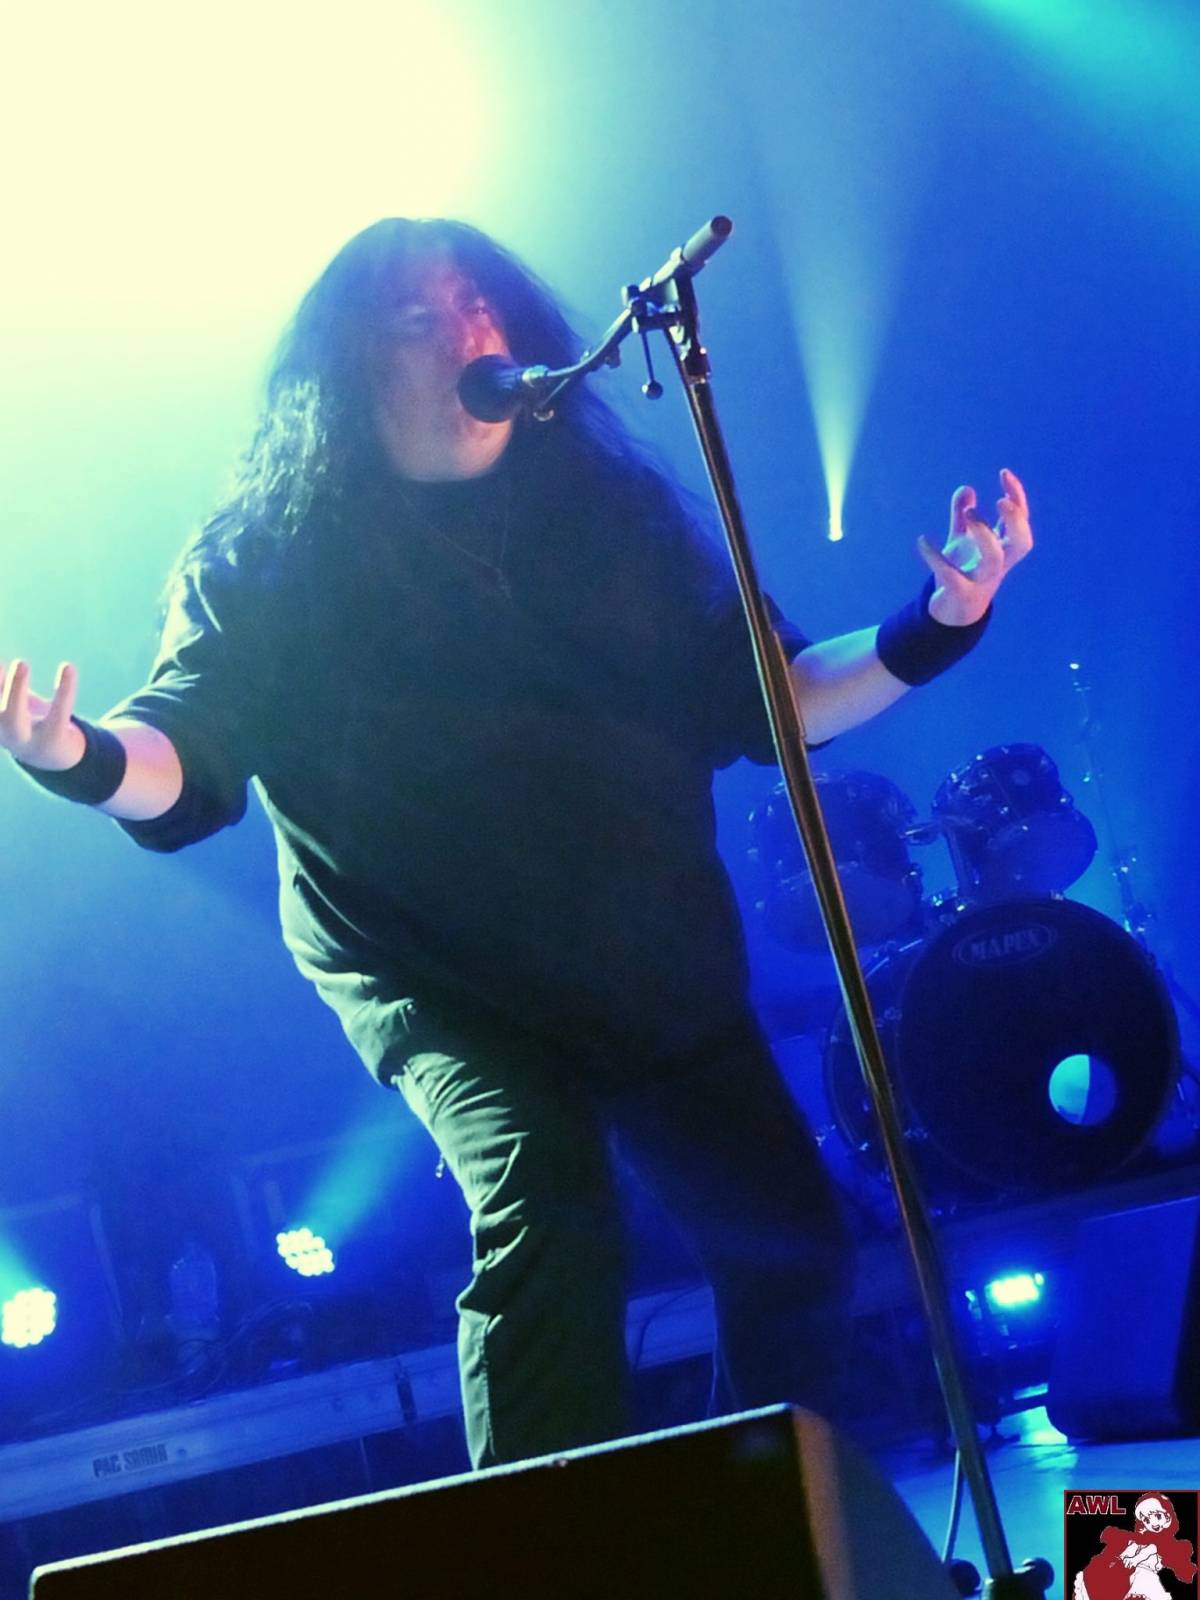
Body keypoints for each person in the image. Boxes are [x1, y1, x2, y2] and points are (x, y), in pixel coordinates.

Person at [1, 217, 1033, 1468]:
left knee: (794, 1239)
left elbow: (781, 695)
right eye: (421, 316)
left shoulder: (610, 521)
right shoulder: (269, 555)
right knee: (549, 1201)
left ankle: (761, 1530)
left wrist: (938, 619)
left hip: (644, 955)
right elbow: (186, 745)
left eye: (480, 305)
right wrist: (78, 756)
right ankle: (544, 1544)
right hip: (436, 976)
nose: (467, 334)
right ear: (350, 369)